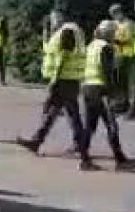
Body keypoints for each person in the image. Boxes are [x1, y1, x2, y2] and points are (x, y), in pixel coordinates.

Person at [17, 13, 94, 170]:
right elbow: (52, 51)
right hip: (70, 80)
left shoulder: (67, 32)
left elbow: (63, 57)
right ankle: (37, 141)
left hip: (64, 80)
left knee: (66, 115)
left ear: (59, 19)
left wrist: (54, 79)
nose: (52, 24)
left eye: (53, 20)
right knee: (59, 113)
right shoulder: (71, 31)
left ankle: (84, 156)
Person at [81, 21, 135, 172]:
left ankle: (84, 159)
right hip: (101, 88)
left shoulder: (91, 45)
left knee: (89, 126)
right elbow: (108, 72)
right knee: (111, 125)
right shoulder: (106, 48)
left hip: (87, 86)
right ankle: (120, 160)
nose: (114, 35)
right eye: (113, 32)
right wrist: (113, 92)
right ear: (107, 33)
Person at [110, 3, 135, 113]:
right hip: (115, 55)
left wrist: (115, 41)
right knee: (115, 80)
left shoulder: (128, 24)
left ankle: (124, 103)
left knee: (122, 80)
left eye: (115, 14)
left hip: (125, 55)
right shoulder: (114, 24)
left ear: (120, 13)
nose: (114, 17)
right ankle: (118, 102)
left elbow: (129, 40)